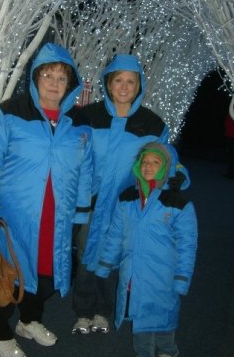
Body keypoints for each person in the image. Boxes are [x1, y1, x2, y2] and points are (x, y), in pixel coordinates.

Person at [0, 42, 92, 357]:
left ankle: (29, 321)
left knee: (44, 271)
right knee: (8, 275)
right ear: (35, 79)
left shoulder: (78, 125)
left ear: (70, 85)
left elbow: (85, 171)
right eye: (47, 75)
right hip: (14, 216)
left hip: (57, 216)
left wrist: (80, 212)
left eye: (61, 78)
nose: (54, 83)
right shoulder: (8, 114)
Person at [72, 54, 190, 335]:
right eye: (118, 81)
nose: (124, 87)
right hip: (91, 203)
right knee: (86, 255)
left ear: (139, 85)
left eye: (131, 81)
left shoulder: (152, 125)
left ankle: (103, 311)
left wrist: (179, 177)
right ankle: (83, 312)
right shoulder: (88, 117)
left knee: (112, 258)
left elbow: (167, 160)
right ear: (108, 84)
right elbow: (72, 155)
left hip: (125, 205)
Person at [96, 142, 198, 357]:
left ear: (167, 168)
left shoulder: (177, 203)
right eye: (144, 162)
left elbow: (187, 244)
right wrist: (106, 263)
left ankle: (168, 352)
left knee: (162, 315)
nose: (148, 166)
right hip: (132, 271)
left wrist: (182, 277)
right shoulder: (128, 198)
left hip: (163, 274)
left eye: (156, 162)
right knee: (139, 314)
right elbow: (115, 233)